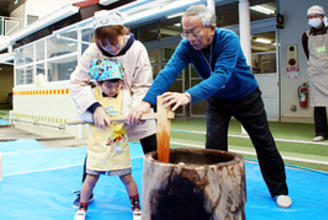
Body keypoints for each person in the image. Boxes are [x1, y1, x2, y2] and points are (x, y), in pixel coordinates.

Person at [129, 4, 292, 208]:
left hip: (246, 97)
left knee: (264, 142)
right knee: (214, 146)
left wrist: (188, 95)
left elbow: (221, 76)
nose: (190, 38)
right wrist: (146, 102)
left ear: (211, 29)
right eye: (185, 33)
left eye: (195, 32)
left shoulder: (228, 40)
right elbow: (168, 72)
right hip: (218, 101)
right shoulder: (187, 46)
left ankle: (279, 190)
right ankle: (216, 190)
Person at [69, 10, 156, 208]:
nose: (110, 48)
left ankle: (162, 188)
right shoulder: (92, 51)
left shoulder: (137, 49)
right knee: (97, 148)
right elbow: (77, 82)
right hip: (106, 111)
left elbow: (143, 85)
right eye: (104, 44)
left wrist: (136, 108)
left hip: (134, 108)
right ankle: (86, 193)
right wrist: (95, 107)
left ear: (123, 33)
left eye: (114, 42)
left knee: (152, 148)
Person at [74, 58, 142, 220]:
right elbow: (82, 113)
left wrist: (132, 117)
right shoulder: (92, 96)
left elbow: (129, 113)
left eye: (117, 85)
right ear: (98, 84)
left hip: (118, 146)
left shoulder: (124, 96)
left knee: (127, 177)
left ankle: (137, 208)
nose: (113, 90)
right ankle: (82, 208)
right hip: (97, 146)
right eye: (109, 86)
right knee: (90, 178)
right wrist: (93, 115)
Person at [301, 5, 328, 142]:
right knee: (318, 103)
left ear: (323, 17)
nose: (313, 19)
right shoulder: (306, 35)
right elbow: (308, 54)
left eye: (316, 16)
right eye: (310, 17)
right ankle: (321, 132)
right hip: (316, 72)